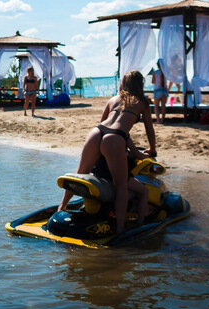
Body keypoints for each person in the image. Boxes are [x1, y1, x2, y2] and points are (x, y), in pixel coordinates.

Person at [57, 70, 156, 235]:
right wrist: (152, 149)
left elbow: (106, 125)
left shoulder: (113, 99)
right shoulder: (143, 102)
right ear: (140, 84)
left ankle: (62, 207)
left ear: (123, 83)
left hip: (96, 132)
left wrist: (133, 150)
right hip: (115, 139)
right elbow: (149, 130)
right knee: (122, 186)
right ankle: (120, 228)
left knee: (80, 172)